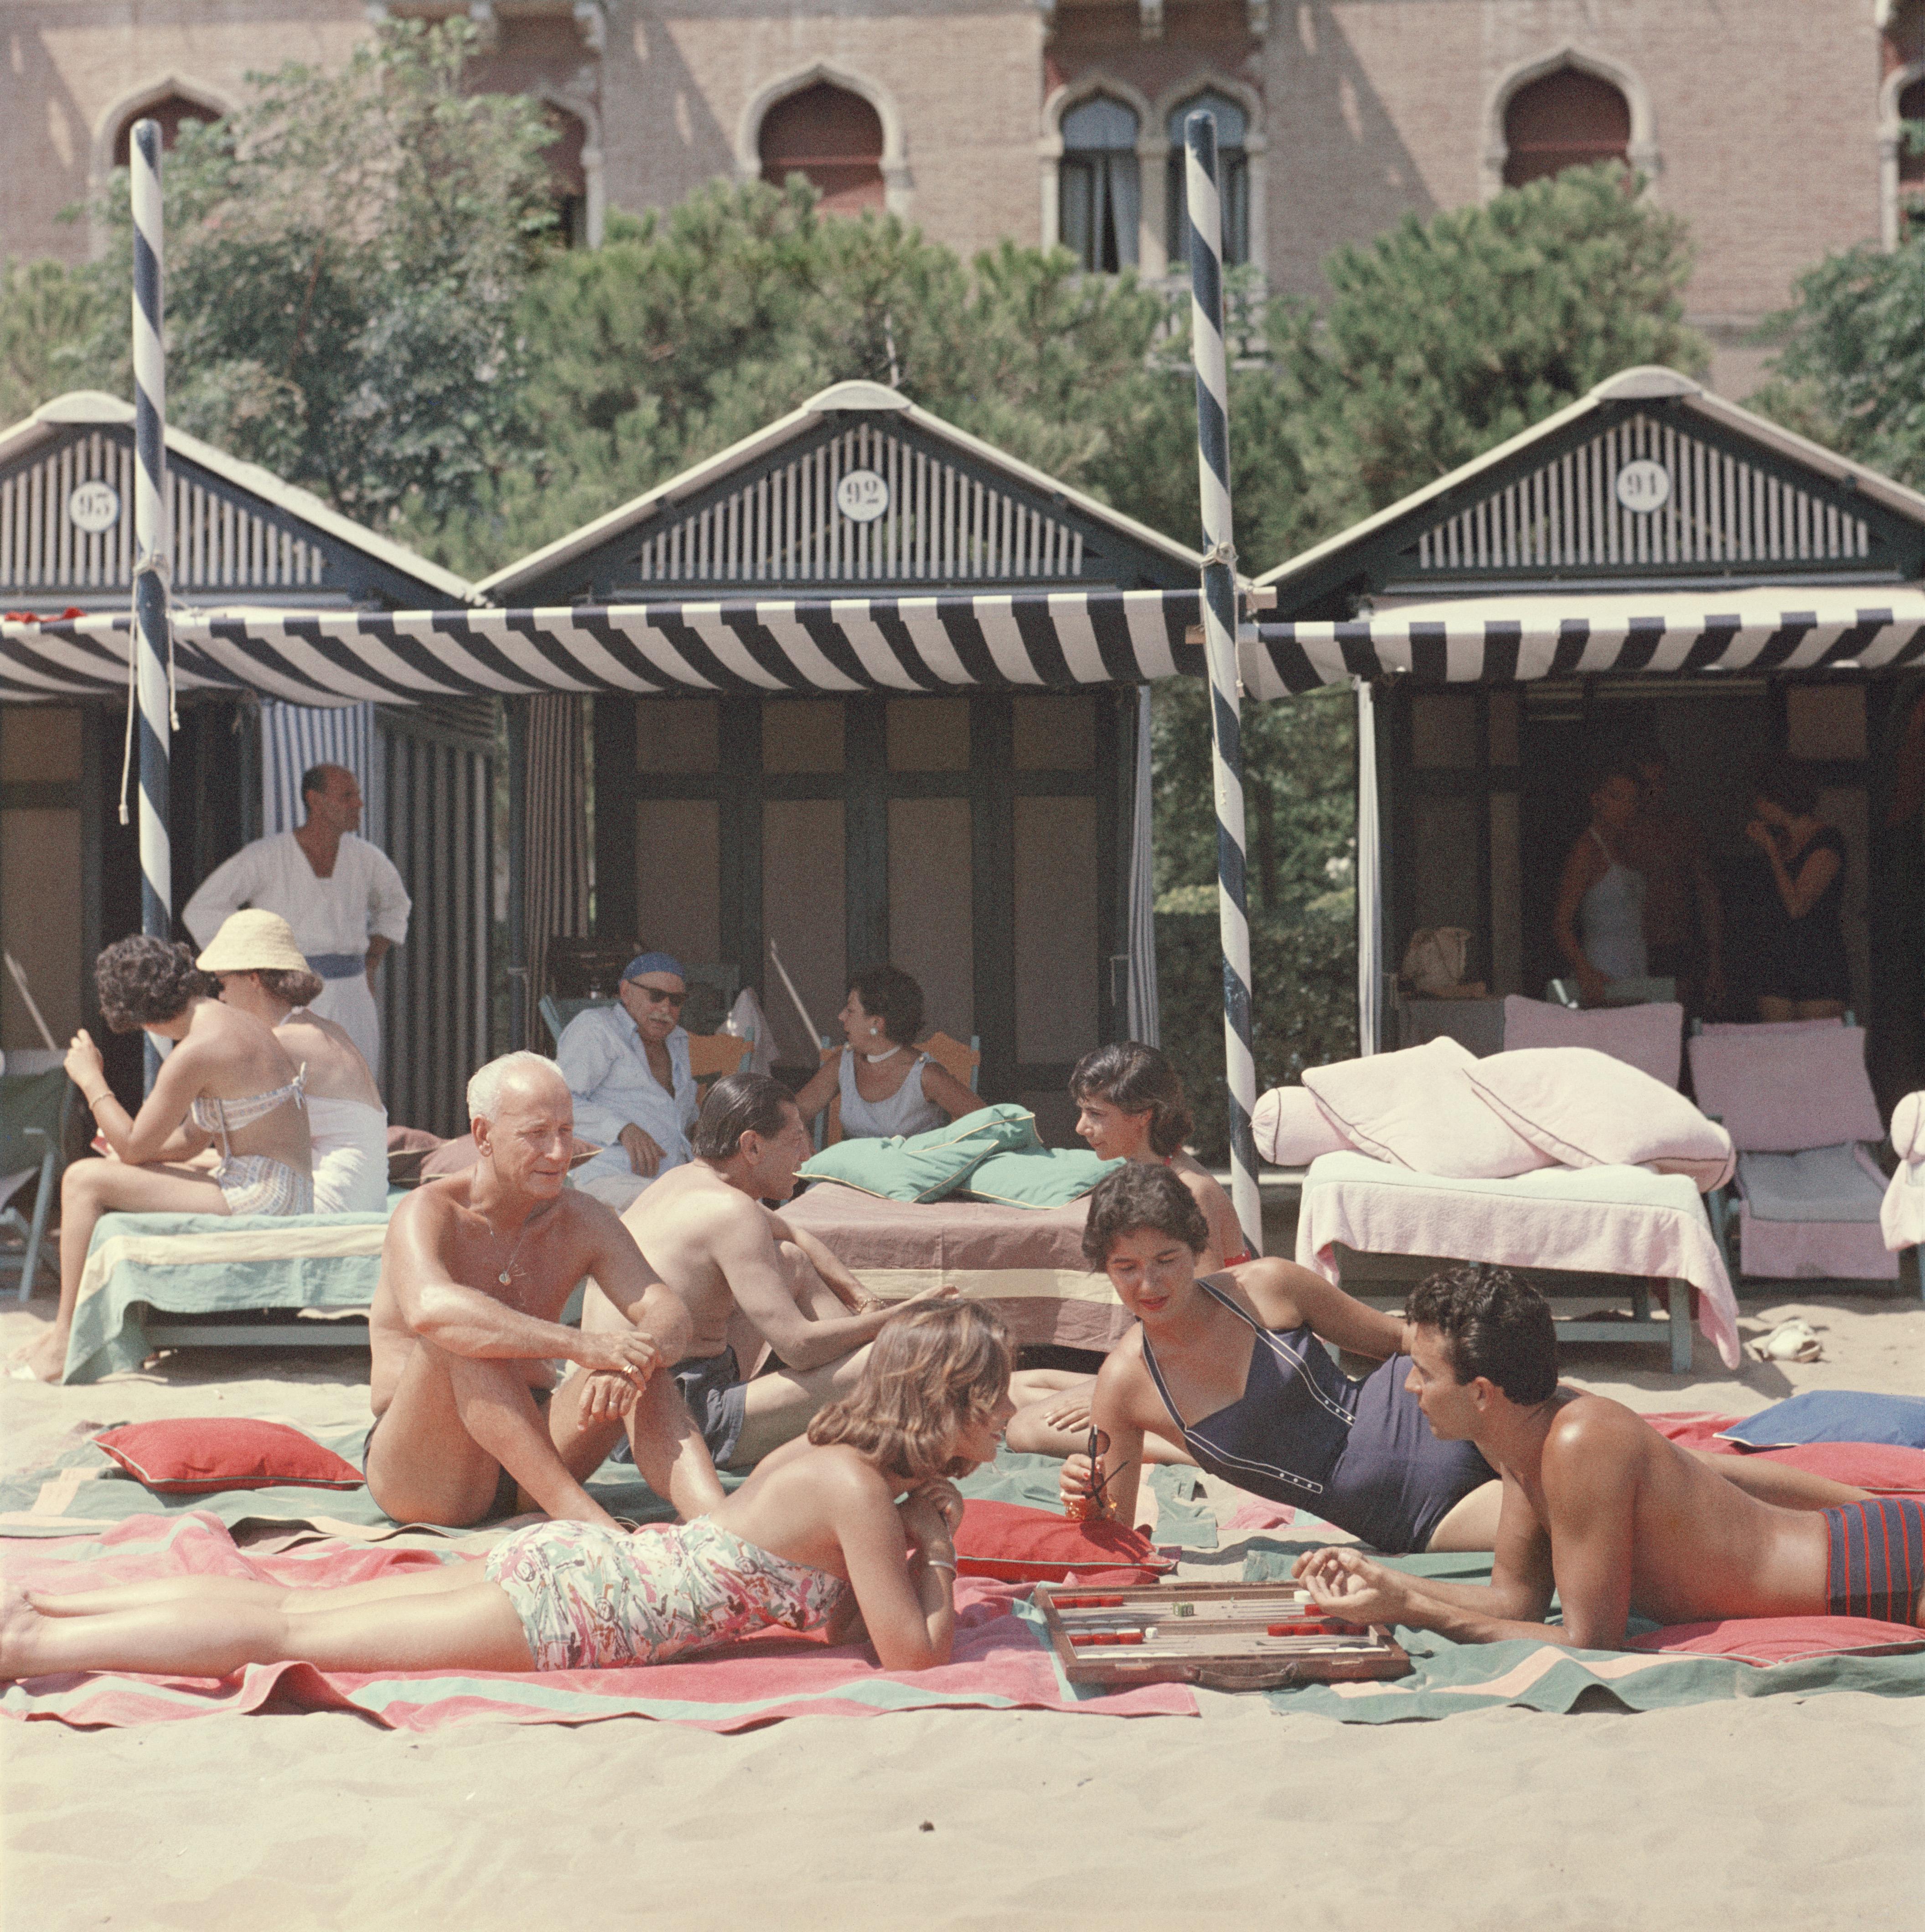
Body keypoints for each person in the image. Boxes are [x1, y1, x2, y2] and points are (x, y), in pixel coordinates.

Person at [0, 1302, 1018, 1684]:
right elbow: (910, 1653)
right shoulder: (855, 1487)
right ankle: (34, 1643)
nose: (1007, 1418)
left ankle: (48, 1609)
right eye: (997, 1399)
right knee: (283, 1631)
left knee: (291, 1612)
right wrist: (937, 1543)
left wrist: (916, 1524)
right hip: (586, 1609)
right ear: (950, 1399)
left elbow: (846, 1624)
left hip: (593, 1572)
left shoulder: (831, 1459)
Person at [1294, 1266, 1904, 1648]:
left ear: (1481, 1393)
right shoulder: (1517, 1439)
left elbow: (1589, 1640)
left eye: (1422, 1373)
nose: (1407, 1389)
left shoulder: (1577, 1441)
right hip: (1861, 1550)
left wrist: (1416, 1609)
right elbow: (1515, 1603)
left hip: (1870, 1575)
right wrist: (1381, 1582)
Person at [1054, 1165, 1501, 1552]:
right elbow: (1114, 1533)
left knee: (1566, 1442)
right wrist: (1088, 1503)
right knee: (1558, 1513)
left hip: (1438, 1408)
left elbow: (1405, 1340)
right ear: (1104, 1267)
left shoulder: (1268, 1285)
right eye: (1126, 1267)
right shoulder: (1122, 1383)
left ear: (1194, 1248)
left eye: (1166, 1259)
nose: (1149, 1284)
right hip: (1410, 1511)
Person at [363, 1051, 722, 1531]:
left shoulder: (583, 1217)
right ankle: (600, 1530)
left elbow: (669, 1313)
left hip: (536, 1457)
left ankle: (723, 1527)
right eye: (536, 1134)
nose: (558, 1153)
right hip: (428, 1470)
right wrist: (582, 1345)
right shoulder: (429, 1212)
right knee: (463, 1336)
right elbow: (432, 1310)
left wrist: (637, 1357)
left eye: (566, 1132)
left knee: (642, 1361)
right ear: (483, 1136)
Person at [575, 1073, 956, 1477]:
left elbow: (796, 1235)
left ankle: (864, 1392)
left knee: (789, 1258)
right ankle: (875, 1393)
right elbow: (798, 1348)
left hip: (631, 1404)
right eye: (795, 1141)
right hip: (668, 1419)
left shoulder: (682, 1181)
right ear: (752, 1146)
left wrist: (866, 1303)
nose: (806, 1156)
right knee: (897, 1359)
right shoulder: (732, 1212)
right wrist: (899, 1319)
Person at [12, 937, 313, 1383]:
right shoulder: (230, 1023)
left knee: (81, 1180)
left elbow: (134, 1143)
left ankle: (65, 1337)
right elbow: (193, 1139)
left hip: (264, 1193)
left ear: (136, 1018)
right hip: (276, 1181)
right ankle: (70, 1327)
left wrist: (91, 1078)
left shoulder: (196, 1050)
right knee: (111, 1172)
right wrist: (131, 1156)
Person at [1004, 1042, 1248, 1460]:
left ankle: (1196, 1451)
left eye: (1096, 1115)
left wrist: (1114, 1391)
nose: (1081, 1128)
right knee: (1011, 1388)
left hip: (1209, 1382)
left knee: (1023, 1429)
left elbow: (1206, 1327)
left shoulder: (1193, 1192)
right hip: (1166, 1363)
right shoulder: (1150, 1174)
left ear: (1143, 1117)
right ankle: (1137, 1423)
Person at [182, 763, 409, 1073]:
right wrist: (249, 962)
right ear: (315, 801)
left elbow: (396, 906)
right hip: (286, 993)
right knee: (290, 1082)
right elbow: (203, 909)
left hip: (352, 994)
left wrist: (371, 960)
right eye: (347, 796)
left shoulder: (367, 858)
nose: (358, 804)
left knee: (358, 1079)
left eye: (357, 795)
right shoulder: (267, 857)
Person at [197, 909, 388, 1214]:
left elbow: (210, 1141)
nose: (220, 997)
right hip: (359, 1198)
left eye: (221, 983)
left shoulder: (280, 1042)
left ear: (254, 978)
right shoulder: (321, 1030)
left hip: (330, 1201)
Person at [554, 952, 701, 1212]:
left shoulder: (678, 1041)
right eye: (655, 996)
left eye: (676, 1001)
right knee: (689, 1210)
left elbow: (680, 1119)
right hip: (606, 1177)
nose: (666, 1009)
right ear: (626, 992)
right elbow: (559, 1102)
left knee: (741, 1202)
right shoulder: (597, 1029)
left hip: (669, 1179)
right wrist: (623, 1129)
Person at [791, 965, 978, 1142]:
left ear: (877, 1023)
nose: (841, 1017)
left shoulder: (926, 1076)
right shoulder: (845, 1062)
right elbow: (792, 1116)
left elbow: (992, 1125)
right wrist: (804, 1146)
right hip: (855, 1175)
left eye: (850, 1010)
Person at [1620, 744, 1725, 1013]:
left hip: (1678, 945)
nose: (1654, 792)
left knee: (1676, 1026)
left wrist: (1715, 963)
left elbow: (1708, 898)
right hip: (1632, 949)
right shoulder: (1619, 834)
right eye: (1646, 784)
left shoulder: (1684, 831)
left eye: (1660, 782)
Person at [1745, 761, 1852, 1021]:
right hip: (1776, 959)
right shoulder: (1780, 842)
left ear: (1779, 798)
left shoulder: (1826, 840)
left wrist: (1771, 850)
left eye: (1762, 798)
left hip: (1817, 961)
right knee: (1777, 1052)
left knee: (1817, 1054)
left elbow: (1797, 906)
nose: (1757, 806)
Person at [1552, 760, 1648, 1006]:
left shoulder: (1630, 848)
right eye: (1617, 798)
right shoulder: (1586, 851)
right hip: (1602, 970)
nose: (1625, 807)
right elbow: (1562, 922)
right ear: (1597, 800)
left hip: (1637, 968)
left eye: (1632, 800)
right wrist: (1583, 968)